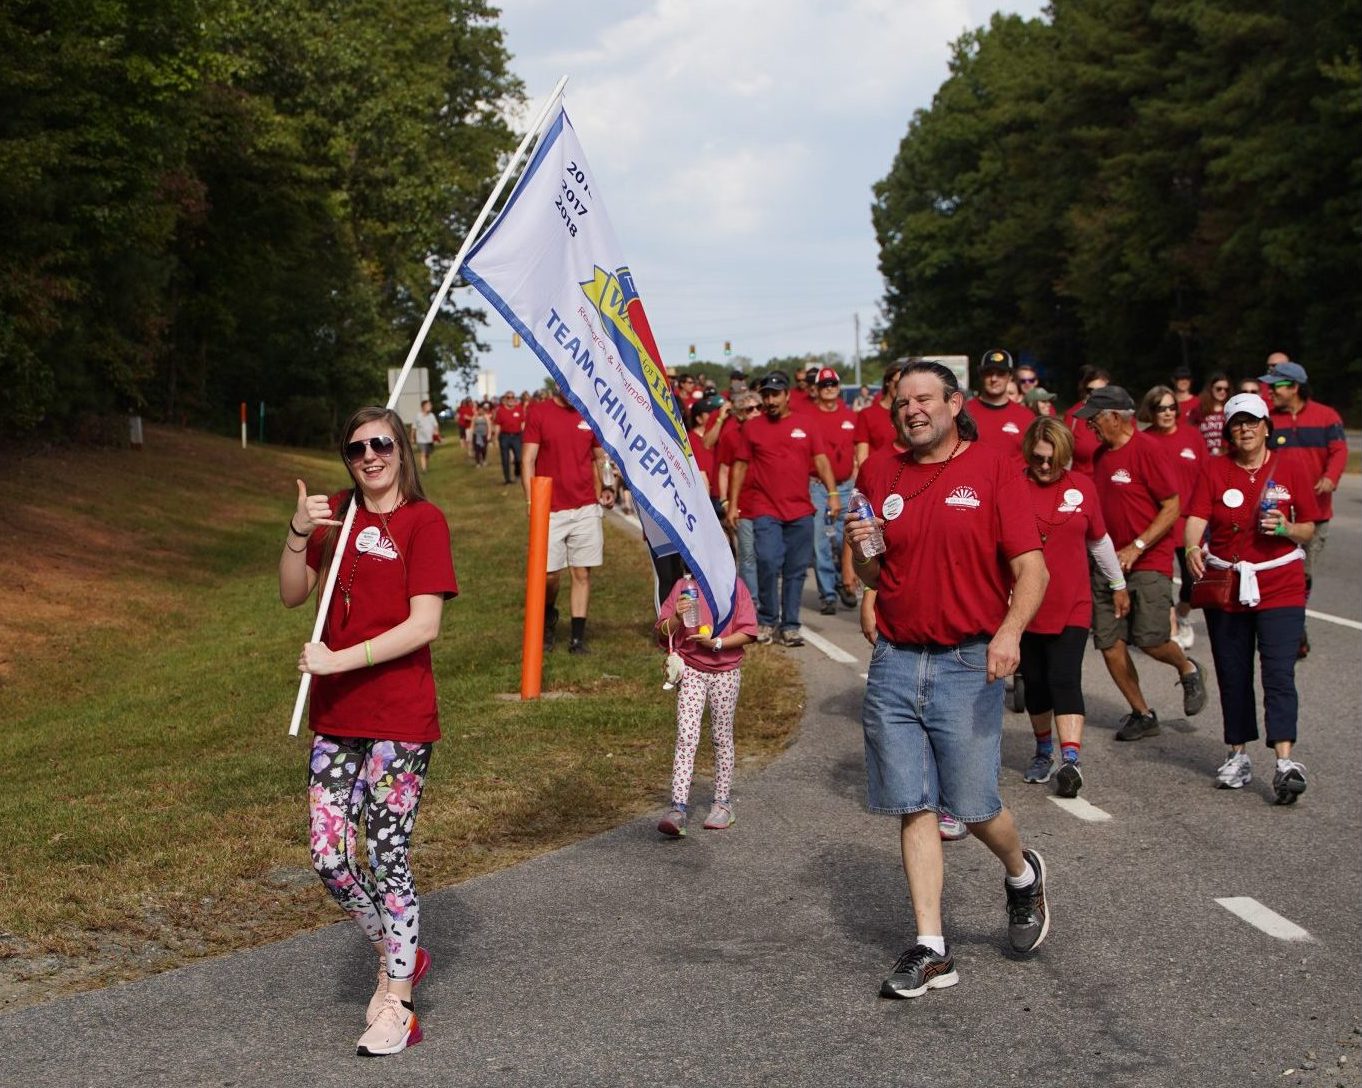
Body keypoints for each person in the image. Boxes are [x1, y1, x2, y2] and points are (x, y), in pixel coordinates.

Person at [846, 360, 1051, 1000]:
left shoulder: (994, 468)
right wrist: (861, 552)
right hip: (897, 659)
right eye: (902, 402)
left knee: (972, 804)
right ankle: (931, 948)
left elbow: (1032, 569)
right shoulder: (878, 471)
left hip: (968, 660)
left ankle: (1021, 873)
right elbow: (878, 576)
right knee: (913, 803)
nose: (912, 410)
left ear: (953, 403)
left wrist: (1010, 632)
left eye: (925, 399)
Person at [280, 406, 457, 1056]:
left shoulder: (423, 521)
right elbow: (294, 594)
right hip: (335, 718)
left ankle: (400, 1001)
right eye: (356, 449)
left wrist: (340, 659)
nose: (370, 457)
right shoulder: (342, 515)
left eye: (381, 444)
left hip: (399, 722)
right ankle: (396, 947)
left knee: (385, 856)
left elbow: (424, 626)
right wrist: (299, 534)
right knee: (329, 857)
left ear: (401, 449)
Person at [1185, 394, 1318, 801]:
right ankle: (1237, 754)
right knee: (1232, 670)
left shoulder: (1291, 467)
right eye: (1237, 423)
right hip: (1228, 583)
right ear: (1228, 430)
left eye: (1252, 422)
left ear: (1266, 427)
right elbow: (1196, 518)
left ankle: (1284, 760)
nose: (1245, 429)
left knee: (1278, 673)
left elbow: (1309, 527)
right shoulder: (1215, 469)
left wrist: (1287, 529)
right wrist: (1193, 548)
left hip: (1280, 584)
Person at [1074, 386, 1207, 739]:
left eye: (1095, 421)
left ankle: (1187, 667)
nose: (1090, 428)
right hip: (1108, 563)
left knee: (1150, 639)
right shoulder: (1102, 457)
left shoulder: (1148, 450)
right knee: (1109, 642)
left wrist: (1137, 545)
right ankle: (1142, 712)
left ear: (1114, 417)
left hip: (1148, 561)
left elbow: (1173, 506)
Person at [1017, 417, 1125, 798]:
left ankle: (1071, 760)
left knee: (1064, 678)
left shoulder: (1082, 487)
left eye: (1053, 460)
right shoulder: (1012, 488)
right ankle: (1044, 749)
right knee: (1036, 685)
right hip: (1024, 606)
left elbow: (1099, 542)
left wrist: (1117, 584)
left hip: (1073, 603)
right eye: (1038, 458)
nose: (1045, 466)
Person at [726, 370, 840, 647]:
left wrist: (833, 494)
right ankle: (767, 619)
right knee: (766, 560)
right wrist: (733, 504)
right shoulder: (752, 427)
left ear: (787, 395)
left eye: (775, 394)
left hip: (800, 510)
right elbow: (739, 466)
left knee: (796, 569)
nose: (770, 399)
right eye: (766, 394)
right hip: (765, 509)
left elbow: (822, 460)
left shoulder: (806, 424)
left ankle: (790, 625)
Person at [654, 577, 759, 837]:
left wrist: (719, 643)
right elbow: (661, 631)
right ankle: (678, 808)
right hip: (690, 670)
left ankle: (722, 803)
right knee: (686, 737)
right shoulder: (683, 586)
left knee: (721, 737)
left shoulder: (735, 587)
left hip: (725, 672)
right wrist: (677, 617)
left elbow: (748, 632)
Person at [1261, 360, 1346, 658]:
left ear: (1295, 387)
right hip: (1277, 510)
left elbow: (1339, 451)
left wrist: (1330, 477)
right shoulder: (1268, 418)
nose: (1269, 391)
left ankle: (1295, 622)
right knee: (1279, 570)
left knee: (1304, 574)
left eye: (1276, 386)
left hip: (1315, 514)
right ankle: (1289, 628)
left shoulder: (1326, 417)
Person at [522, 386, 616, 653]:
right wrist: (531, 502)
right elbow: (528, 460)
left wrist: (608, 486)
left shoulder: (589, 414)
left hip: (585, 505)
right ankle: (548, 614)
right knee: (549, 575)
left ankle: (577, 638)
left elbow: (601, 458)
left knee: (581, 572)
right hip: (550, 508)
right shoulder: (539, 413)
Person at [1139, 384, 1207, 651]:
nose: (1167, 413)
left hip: (1190, 522)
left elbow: (1206, 478)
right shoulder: (1145, 440)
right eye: (1160, 408)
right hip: (1157, 521)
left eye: (1171, 407)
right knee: (1160, 578)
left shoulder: (1193, 437)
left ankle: (1182, 613)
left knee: (1194, 580)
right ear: (1151, 411)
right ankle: (1171, 626)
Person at [807, 367, 860, 614]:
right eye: (824, 384)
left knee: (844, 538)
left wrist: (857, 475)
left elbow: (859, 451)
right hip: (817, 486)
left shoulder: (851, 416)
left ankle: (843, 580)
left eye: (833, 384)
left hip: (847, 484)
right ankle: (827, 593)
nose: (829, 388)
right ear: (816, 389)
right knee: (820, 541)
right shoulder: (808, 417)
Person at [717, 391, 763, 610]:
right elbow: (724, 470)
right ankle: (751, 601)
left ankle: (766, 597)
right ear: (739, 414)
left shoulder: (769, 432)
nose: (755, 413)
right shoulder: (731, 436)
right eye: (749, 409)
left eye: (758, 408)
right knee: (747, 554)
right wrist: (726, 502)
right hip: (743, 503)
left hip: (768, 503)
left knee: (768, 556)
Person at [968, 348, 1034, 468]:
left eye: (1000, 373)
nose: (994, 379)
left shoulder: (1026, 416)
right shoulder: (964, 412)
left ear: (1010, 377)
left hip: (1014, 484)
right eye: (989, 373)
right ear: (981, 375)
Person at [853, 363, 903, 470]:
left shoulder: (911, 413)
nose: (902, 388)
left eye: (906, 384)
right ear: (887, 383)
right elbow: (862, 456)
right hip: (879, 477)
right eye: (898, 383)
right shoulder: (867, 414)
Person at [1063, 367, 1110, 476]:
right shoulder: (1073, 416)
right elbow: (1060, 455)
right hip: (1083, 483)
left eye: (1101, 391)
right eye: (1090, 390)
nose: (1095, 395)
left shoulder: (1121, 416)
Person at [1186, 371, 1231, 456]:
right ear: (1211, 388)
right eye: (1219, 388)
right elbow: (1190, 434)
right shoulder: (1199, 410)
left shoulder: (1230, 410)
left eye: (1226, 389)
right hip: (1204, 456)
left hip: (1226, 456)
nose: (1222, 391)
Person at [493, 391, 526, 485]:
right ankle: (507, 479)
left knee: (518, 458)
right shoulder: (500, 410)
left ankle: (517, 474)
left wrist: (524, 435)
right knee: (505, 458)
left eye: (512, 397)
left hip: (517, 436)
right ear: (505, 399)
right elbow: (497, 425)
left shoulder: (519, 409)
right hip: (504, 437)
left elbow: (523, 423)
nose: (511, 399)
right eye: (508, 397)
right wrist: (495, 438)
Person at [412, 399, 440, 473]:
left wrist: (436, 433)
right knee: (423, 453)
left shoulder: (431, 415)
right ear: (423, 407)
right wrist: (412, 437)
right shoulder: (418, 416)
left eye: (430, 405)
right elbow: (414, 427)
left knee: (427, 454)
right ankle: (424, 469)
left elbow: (436, 425)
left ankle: (426, 466)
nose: (430, 406)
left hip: (430, 439)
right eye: (428, 405)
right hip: (421, 439)